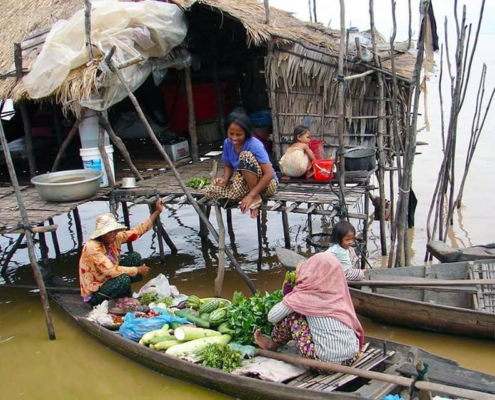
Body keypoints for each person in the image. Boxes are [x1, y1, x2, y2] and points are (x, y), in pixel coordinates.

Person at [254, 253, 364, 365]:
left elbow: (272, 317)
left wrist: (289, 297)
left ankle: (273, 344)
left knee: (294, 318)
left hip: (324, 363)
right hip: (352, 356)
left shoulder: (305, 294)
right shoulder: (339, 293)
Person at [79, 198, 164, 306]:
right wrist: (137, 270)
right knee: (123, 279)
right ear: (102, 234)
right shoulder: (93, 248)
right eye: (109, 232)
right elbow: (111, 271)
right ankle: (119, 296)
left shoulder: (115, 238)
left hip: (109, 280)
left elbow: (136, 232)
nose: (113, 234)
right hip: (96, 292)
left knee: (135, 257)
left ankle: (123, 294)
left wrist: (157, 212)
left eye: (114, 231)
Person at [205, 111, 278, 218]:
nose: (234, 138)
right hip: (245, 184)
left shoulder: (254, 144)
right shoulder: (227, 143)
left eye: (238, 134)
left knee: (245, 156)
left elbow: (269, 174)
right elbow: (228, 165)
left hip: (266, 185)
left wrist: (252, 194)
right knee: (210, 191)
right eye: (231, 134)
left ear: (246, 133)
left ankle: (255, 198)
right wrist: (225, 179)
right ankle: (244, 197)